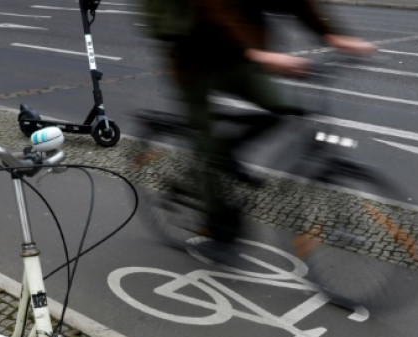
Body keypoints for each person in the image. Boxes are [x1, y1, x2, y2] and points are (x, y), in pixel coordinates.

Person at [159, 0, 376, 244]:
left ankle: (224, 153)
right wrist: (256, 53)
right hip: (196, 60)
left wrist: (333, 35)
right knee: (207, 146)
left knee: (281, 109)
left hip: (239, 58)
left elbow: (298, 3)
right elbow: (212, 10)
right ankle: (215, 223)